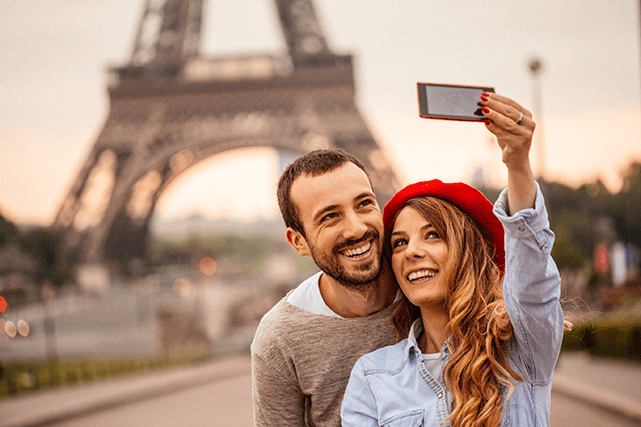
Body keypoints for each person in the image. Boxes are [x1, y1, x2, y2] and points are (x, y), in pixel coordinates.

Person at [341, 93, 568, 427]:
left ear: (468, 251)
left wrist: (518, 164)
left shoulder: (522, 346)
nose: (411, 251)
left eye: (432, 234)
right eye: (399, 242)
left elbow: (531, 275)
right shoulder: (372, 377)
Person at [251, 148, 400, 426]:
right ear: (299, 242)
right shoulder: (279, 339)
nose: (356, 228)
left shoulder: (428, 290)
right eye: (330, 216)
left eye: (364, 204)